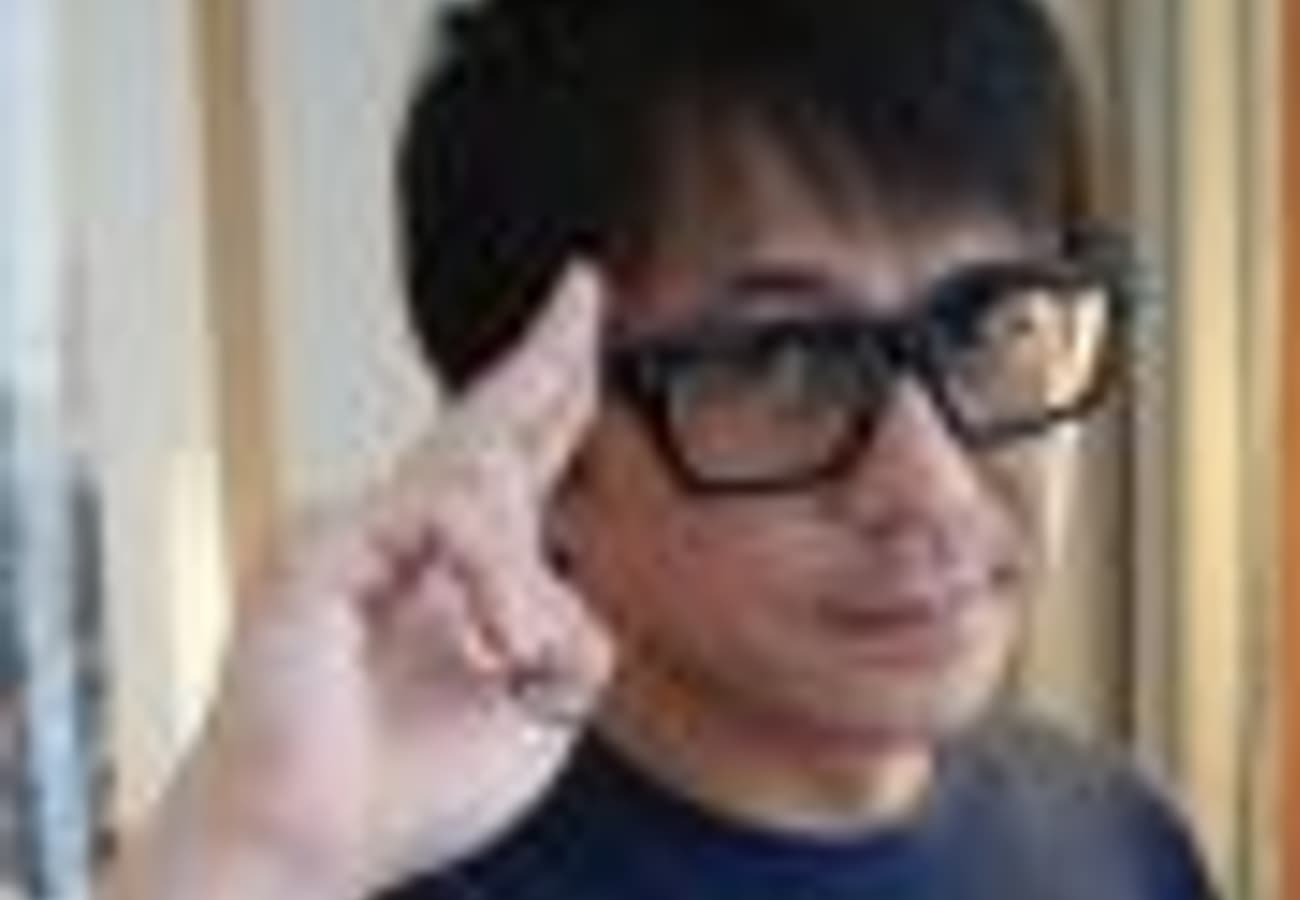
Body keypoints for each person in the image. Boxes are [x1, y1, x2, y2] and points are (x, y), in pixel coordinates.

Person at [102, 1, 1216, 898]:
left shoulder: (1119, 839)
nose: (929, 487)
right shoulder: (375, 871)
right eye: (785, 361)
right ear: (540, 450)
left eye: (988, 325)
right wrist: (254, 860)